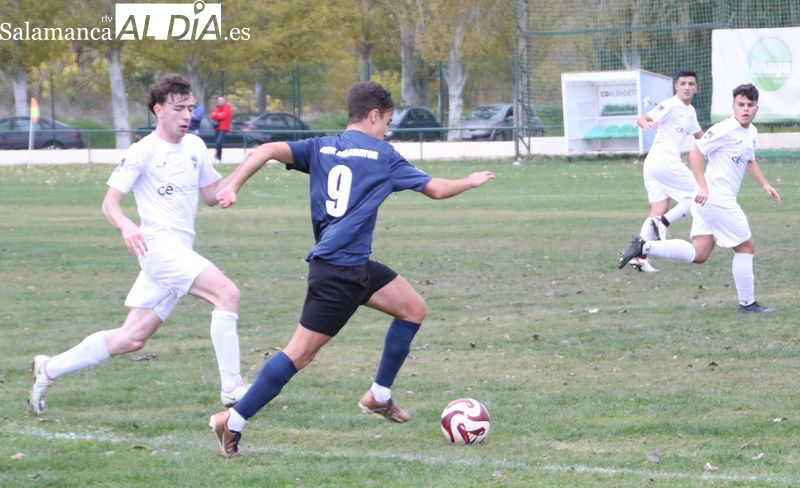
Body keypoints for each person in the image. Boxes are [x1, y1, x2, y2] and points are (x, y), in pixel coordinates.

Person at [208, 81, 495, 457]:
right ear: (373, 115)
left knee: (413, 309)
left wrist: (233, 186)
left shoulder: (319, 146)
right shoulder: (383, 155)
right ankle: (233, 420)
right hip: (339, 273)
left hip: (353, 266)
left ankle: (379, 395)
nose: (388, 130)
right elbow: (436, 189)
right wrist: (470, 182)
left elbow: (265, 150)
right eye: (387, 121)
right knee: (299, 354)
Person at [29, 75, 250, 416]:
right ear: (158, 110)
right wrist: (127, 225)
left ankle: (49, 368)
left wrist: (230, 188)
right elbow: (110, 203)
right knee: (227, 294)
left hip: (180, 250)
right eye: (178, 108)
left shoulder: (195, 147)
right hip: (158, 249)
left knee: (132, 338)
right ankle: (232, 388)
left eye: (190, 108)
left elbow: (209, 194)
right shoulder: (142, 151)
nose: (186, 115)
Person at [618, 84, 780, 313]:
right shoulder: (724, 129)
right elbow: (695, 153)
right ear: (733, 106)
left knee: (699, 253)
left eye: (750, 105)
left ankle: (645, 246)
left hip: (709, 201)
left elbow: (749, 160)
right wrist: (702, 186)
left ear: (756, 108)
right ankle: (748, 303)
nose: (745, 109)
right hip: (715, 198)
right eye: (740, 105)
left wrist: (765, 184)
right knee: (745, 246)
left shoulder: (751, 132)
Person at [628, 70, 704, 273]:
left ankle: (639, 256)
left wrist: (717, 146)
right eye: (683, 83)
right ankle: (665, 222)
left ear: (696, 88)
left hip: (653, 165)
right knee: (698, 194)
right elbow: (642, 118)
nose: (687, 87)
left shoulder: (690, 111)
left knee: (658, 209)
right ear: (676, 87)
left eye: (691, 83)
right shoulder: (671, 105)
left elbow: (700, 137)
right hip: (664, 162)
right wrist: (647, 124)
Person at [210, 96, 232, 164]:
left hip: (223, 128)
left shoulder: (227, 108)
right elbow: (212, 115)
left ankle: (218, 157)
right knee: (217, 143)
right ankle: (217, 157)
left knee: (219, 142)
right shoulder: (217, 108)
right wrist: (217, 115)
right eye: (219, 100)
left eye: (221, 100)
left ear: (224, 101)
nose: (220, 102)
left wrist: (216, 115)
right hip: (217, 128)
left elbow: (223, 116)